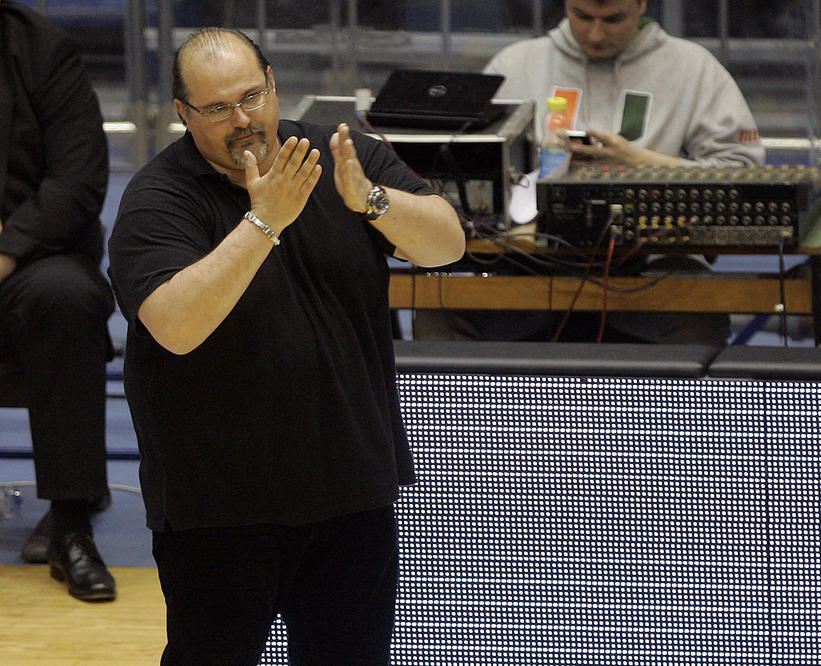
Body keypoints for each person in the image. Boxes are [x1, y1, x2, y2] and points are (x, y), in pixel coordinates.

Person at [107, 28, 464, 664]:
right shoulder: (158, 199)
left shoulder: (340, 154)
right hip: (219, 508)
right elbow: (175, 325)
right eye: (217, 108)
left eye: (253, 96)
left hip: (355, 489)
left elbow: (447, 246)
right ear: (183, 114)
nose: (243, 120)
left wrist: (372, 201)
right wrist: (264, 220)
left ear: (273, 82)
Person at [414, 0, 765, 345]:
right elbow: (470, 166)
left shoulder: (693, 68)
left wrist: (639, 162)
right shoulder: (518, 64)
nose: (595, 34)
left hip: (649, 261)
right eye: (582, 16)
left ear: (642, 5)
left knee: (699, 309)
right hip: (527, 262)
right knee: (439, 306)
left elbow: (744, 171)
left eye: (612, 19)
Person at [0, 0, 116, 601]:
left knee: (67, 298)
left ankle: (71, 527)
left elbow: (80, 177)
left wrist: (9, 248)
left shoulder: (43, 47)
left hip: (36, 260)